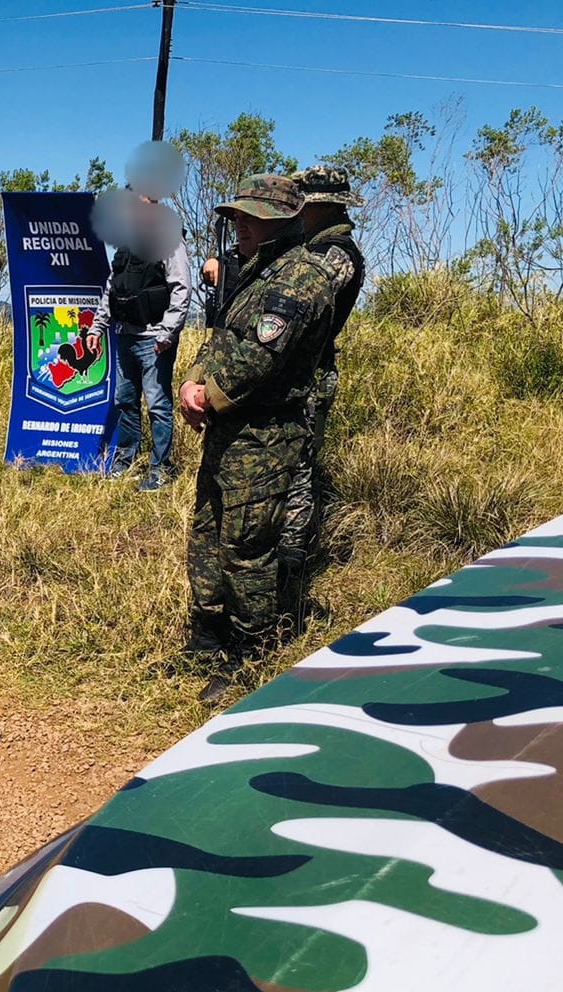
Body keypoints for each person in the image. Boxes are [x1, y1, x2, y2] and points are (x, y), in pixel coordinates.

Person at [177, 175, 339, 702]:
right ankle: (204, 640)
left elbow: (261, 357)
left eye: (249, 217)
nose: (238, 226)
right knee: (207, 531)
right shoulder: (257, 271)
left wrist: (208, 395)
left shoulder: (302, 277)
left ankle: (248, 658)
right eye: (237, 216)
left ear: (280, 221)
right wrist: (192, 380)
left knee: (247, 547)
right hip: (230, 430)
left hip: (265, 435)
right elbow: (224, 338)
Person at [279, 164, 366, 578]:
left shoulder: (336, 254)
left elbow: (301, 307)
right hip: (292, 373)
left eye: (304, 205)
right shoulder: (310, 247)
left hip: (310, 376)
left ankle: (292, 559)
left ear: (325, 207)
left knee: (299, 466)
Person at [86, 197, 193, 490]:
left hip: (154, 339)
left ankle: (160, 469)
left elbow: (181, 287)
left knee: (157, 405)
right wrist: (97, 327)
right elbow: (112, 289)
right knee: (125, 401)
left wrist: (166, 333)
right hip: (125, 335)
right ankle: (125, 462)